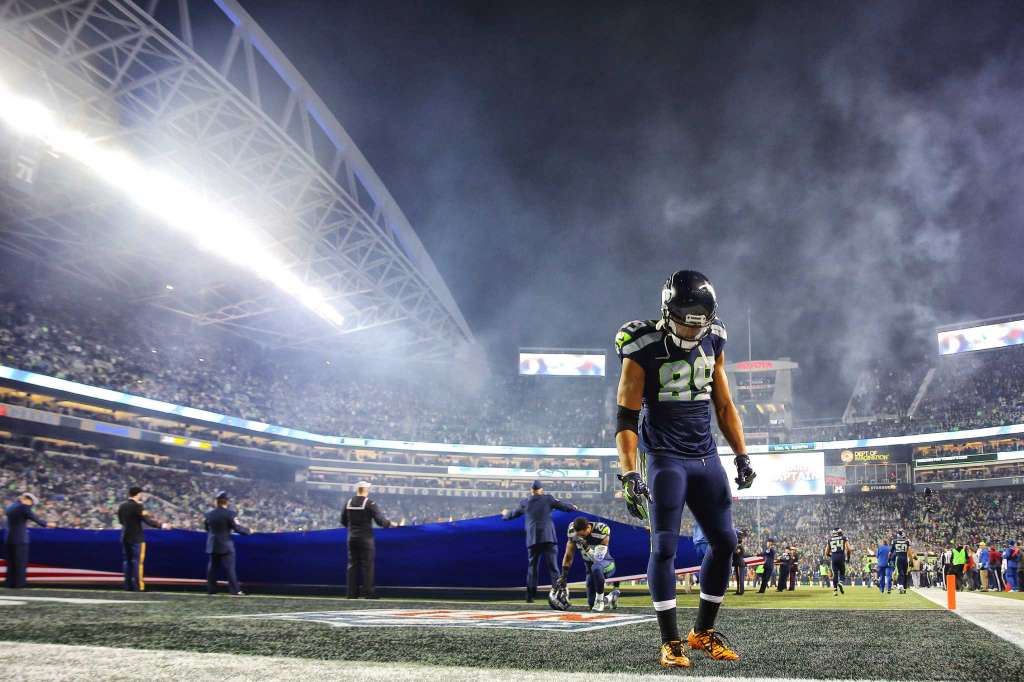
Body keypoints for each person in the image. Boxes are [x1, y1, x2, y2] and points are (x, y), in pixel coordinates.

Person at [613, 270, 756, 667]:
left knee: (725, 542)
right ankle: (670, 641)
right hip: (665, 457)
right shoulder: (642, 345)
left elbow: (724, 406)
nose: (691, 333)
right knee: (665, 547)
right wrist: (629, 472)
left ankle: (702, 632)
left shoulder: (715, 338)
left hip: (706, 455)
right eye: (683, 322)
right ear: (666, 311)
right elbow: (625, 419)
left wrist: (742, 454)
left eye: (698, 325)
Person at [503, 480, 577, 603]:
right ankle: (558, 594)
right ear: (541, 489)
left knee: (532, 568)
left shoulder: (525, 502)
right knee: (553, 568)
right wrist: (573, 507)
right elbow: (564, 506)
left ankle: (530, 596)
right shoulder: (548, 499)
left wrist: (505, 515)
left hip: (533, 540)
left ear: (531, 490)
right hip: (548, 538)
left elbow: (512, 514)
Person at [341, 481, 393, 599]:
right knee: (367, 565)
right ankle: (368, 592)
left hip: (351, 538)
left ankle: (351, 593)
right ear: (366, 490)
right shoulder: (369, 503)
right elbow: (380, 521)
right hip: (366, 538)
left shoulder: (348, 503)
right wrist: (391, 524)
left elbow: (343, 521)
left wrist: (353, 529)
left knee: (352, 565)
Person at [560, 517, 620, 612]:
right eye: (578, 535)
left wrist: (586, 547)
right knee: (592, 604)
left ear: (588, 528)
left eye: (582, 535)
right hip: (589, 569)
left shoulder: (601, 530)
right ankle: (611, 597)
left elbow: (598, 559)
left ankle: (600, 601)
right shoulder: (572, 531)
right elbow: (568, 554)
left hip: (606, 564)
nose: (581, 537)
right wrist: (564, 575)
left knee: (595, 567)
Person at [117, 486, 168, 592]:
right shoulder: (138, 506)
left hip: (125, 537)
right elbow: (148, 521)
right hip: (137, 538)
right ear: (138, 494)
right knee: (137, 562)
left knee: (127, 562)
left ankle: (127, 586)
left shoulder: (122, 506)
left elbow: (121, 521)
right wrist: (162, 525)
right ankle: (139, 586)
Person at [3, 493, 55, 588]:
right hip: (20, 540)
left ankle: (9, 583)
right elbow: (35, 518)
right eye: (31, 504)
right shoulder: (24, 507)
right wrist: (47, 524)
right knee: (20, 562)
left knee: (11, 563)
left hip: (9, 539)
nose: (31, 506)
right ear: (29, 500)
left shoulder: (11, 508)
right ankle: (19, 584)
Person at [204, 491, 251, 596]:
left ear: (216, 502)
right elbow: (237, 528)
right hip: (226, 545)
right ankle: (235, 590)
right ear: (226, 502)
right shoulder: (230, 514)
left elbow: (207, 528)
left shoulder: (208, 514)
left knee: (212, 568)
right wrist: (248, 531)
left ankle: (211, 589)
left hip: (212, 544)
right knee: (230, 568)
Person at [825, 527, 849, 596]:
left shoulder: (829, 540)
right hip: (841, 557)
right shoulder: (844, 538)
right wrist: (848, 558)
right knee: (842, 572)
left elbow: (826, 552)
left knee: (835, 575)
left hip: (834, 558)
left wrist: (832, 556)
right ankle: (841, 583)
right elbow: (849, 549)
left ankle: (835, 591)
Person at [892, 529, 911, 594]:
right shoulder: (907, 541)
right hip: (905, 559)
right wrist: (911, 560)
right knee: (904, 574)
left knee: (900, 573)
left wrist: (889, 560)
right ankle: (903, 587)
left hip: (899, 558)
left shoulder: (895, 541)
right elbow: (909, 551)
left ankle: (900, 585)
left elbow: (891, 552)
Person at [732, 530, 747, 595]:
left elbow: (736, 553)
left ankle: (741, 591)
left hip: (739, 564)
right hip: (738, 563)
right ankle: (738, 590)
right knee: (738, 578)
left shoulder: (739, 547)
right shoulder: (738, 547)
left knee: (740, 578)